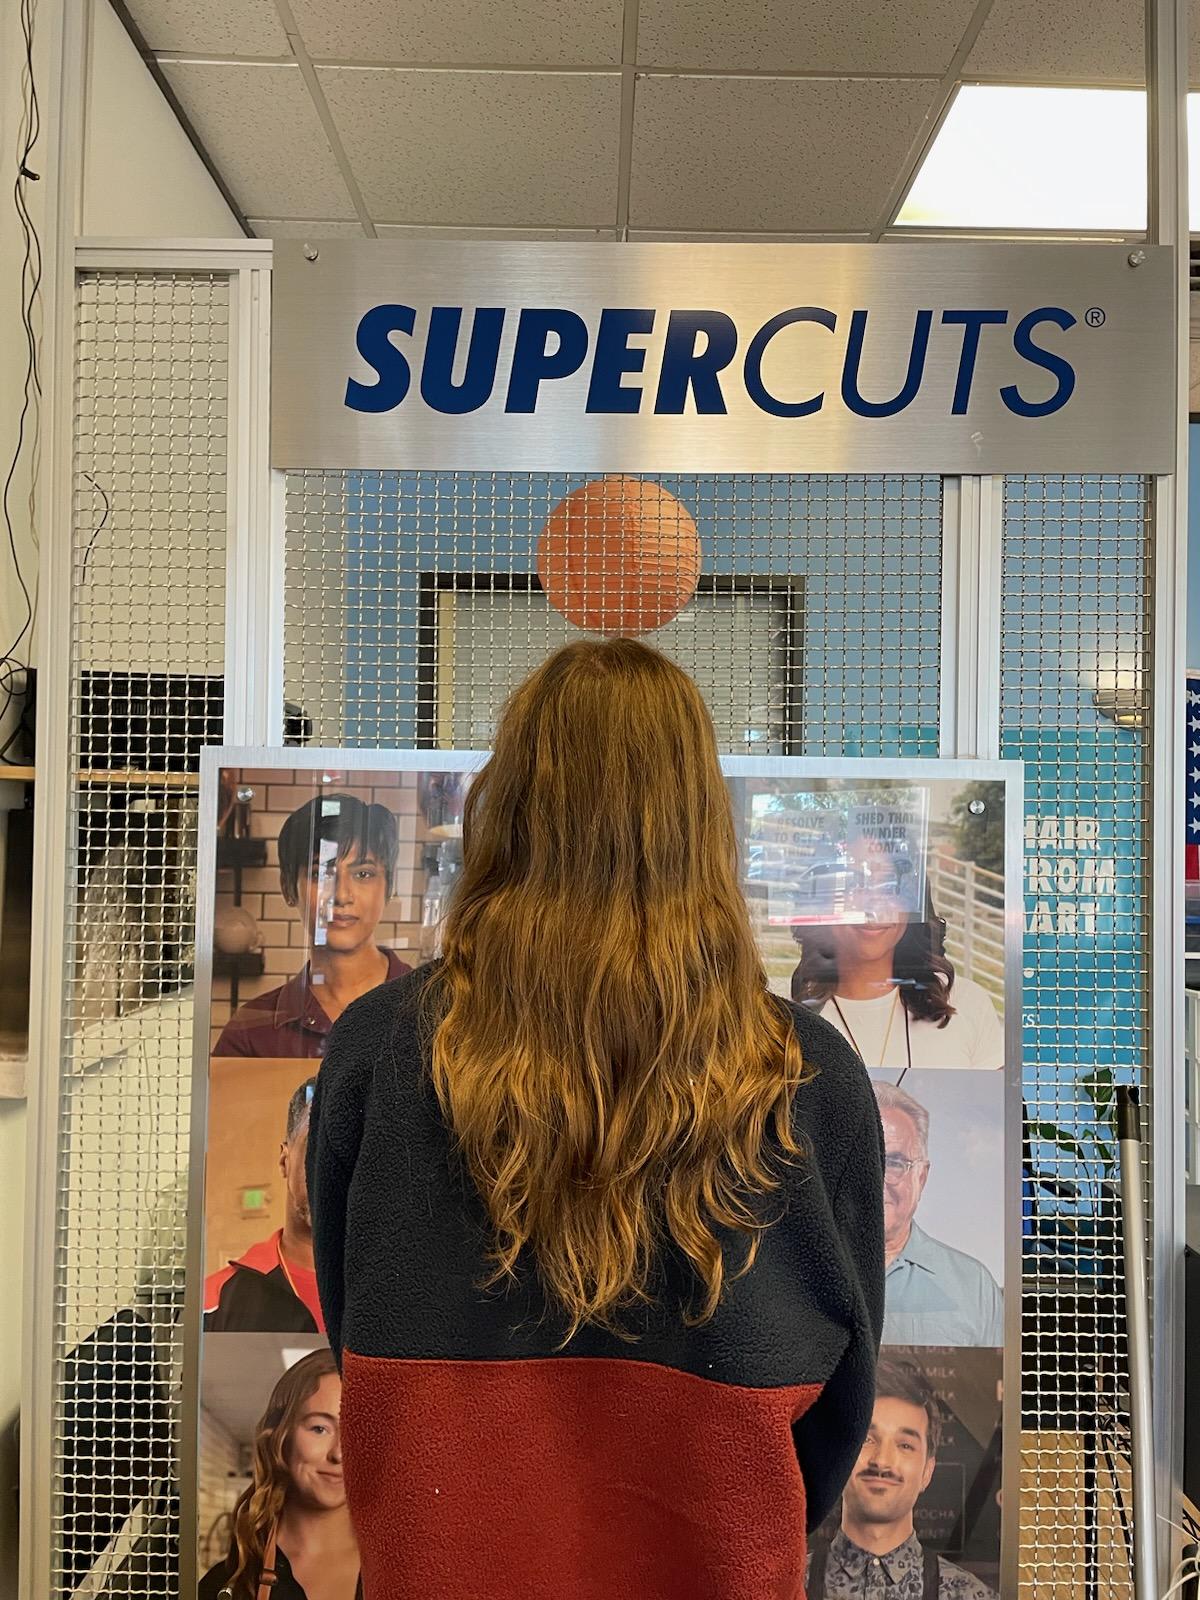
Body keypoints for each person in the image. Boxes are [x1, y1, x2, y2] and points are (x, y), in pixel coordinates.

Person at [308, 638, 885, 1600]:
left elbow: (350, 1318)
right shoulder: (806, 1073)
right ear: (702, 824)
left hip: (442, 1566)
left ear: (509, 809)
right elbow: (840, 1400)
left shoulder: (380, 1046)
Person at [215, 794, 410, 1058]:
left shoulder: (433, 1007)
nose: (341, 895)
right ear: (288, 887)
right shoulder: (251, 1034)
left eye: (363, 874)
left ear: (390, 886)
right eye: (320, 873)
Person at [806, 1354, 998, 1599]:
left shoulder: (971, 1595)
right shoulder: (782, 1588)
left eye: (905, 1445)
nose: (882, 1461)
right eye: (866, 1439)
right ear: (838, 1457)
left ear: (927, 1472)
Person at [790, 866, 1004, 1070]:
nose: (874, 906)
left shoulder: (966, 1002)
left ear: (912, 905)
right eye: (854, 885)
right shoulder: (782, 1013)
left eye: (889, 886)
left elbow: (992, 1095)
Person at [199, 1348, 360, 1600]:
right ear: (281, 1438)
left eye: (356, 1431)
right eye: (319, 1428)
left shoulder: (402, 1568)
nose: (338, 1454)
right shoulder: (230, 1583)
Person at [875, 1081, 1003, 1347]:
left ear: (921, 1177)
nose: (878, 1178)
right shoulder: (803, 1276)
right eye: (865, 1160)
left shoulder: (975, 1286)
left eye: (895, 1162)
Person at [204, 1080, 325, 1333]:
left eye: (350, 1152)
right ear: (285, 1161)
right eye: (315, 1148)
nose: (331, 1171)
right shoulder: (213, 1302)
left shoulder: (397, 1292)